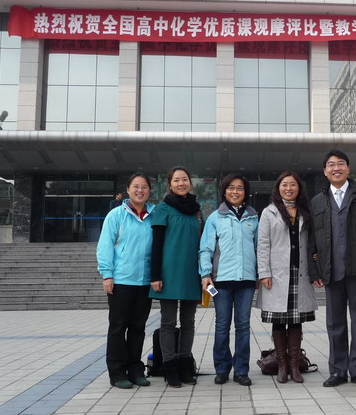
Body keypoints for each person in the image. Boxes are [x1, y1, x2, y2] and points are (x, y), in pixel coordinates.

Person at [309, 150, 356, 388]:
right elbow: (312, 240)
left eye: (340, 164)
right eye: (331, 165)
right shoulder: (317, 201)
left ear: (348, 169)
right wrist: (315, 271)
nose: (336, 168)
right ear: (325, 171)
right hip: (331, 271)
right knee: (335, 323)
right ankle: (338, 370)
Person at [257, 172, 318, 384]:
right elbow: (263, 244)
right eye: (285, 184)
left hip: (300, 272)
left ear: (299, 188)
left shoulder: (305, 211)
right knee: (278, 320)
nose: (289, 188)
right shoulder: (269, 212)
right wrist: (264, 272)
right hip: (277, 274)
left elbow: (312, 242)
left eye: (293, 185)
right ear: (278, 188)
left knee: (295, 320)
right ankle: (282, 365)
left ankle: (294, 365)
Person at [199, 174, 259, 387]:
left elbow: (259, 248)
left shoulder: (253, 217)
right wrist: (205, 274)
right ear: (224, 191)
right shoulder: (215, 217)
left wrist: (259, 273)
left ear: (246, 192)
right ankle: (222, 369)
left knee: (243, 326)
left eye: (240, 188)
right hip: (221, 281)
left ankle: (241, 370)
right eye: (231, 188)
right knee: (222, 325)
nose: (235, 191)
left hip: (246, 280)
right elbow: (206, 248)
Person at [96, 173, 155, 389]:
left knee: (138, 328)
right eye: (136, 187)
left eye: (144, 187)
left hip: (144, 282)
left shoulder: (154, 215)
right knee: (118, 327)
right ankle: (117, 372)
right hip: (121, 280)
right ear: (128, 190)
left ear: (149, 191)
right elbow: (105, 245)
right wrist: (107, 275)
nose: (140, 190)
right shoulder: (116, 215)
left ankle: (135, 370)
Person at [150, 166, 203, 388]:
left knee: (189, 322)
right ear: (170, 184)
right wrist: (155, 275)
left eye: (185, 179)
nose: (181, 183)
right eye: (176, 180)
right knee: (168, 322)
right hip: (168, 273)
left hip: (191, 273)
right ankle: (169, 367)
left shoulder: (197, 210)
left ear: (190, 182)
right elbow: (156, 245)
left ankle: (184, 364)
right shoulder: (162, 209)